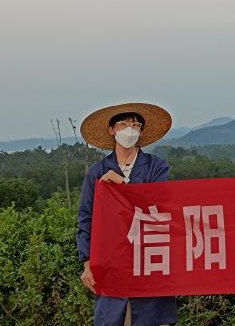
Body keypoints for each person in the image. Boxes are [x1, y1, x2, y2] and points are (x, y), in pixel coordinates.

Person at [77, 102, 179, 326]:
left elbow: (158, 207)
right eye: (123, 124)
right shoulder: (97, 173)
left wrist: (123, 185)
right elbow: (86, 219)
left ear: (141, 131)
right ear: (112, 130)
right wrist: (87, 263)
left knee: (152, 318)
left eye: (136, 125)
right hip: (112, 265)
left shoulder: (157, 167)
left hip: (149, 263)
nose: (130, 130)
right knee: (113, 318)